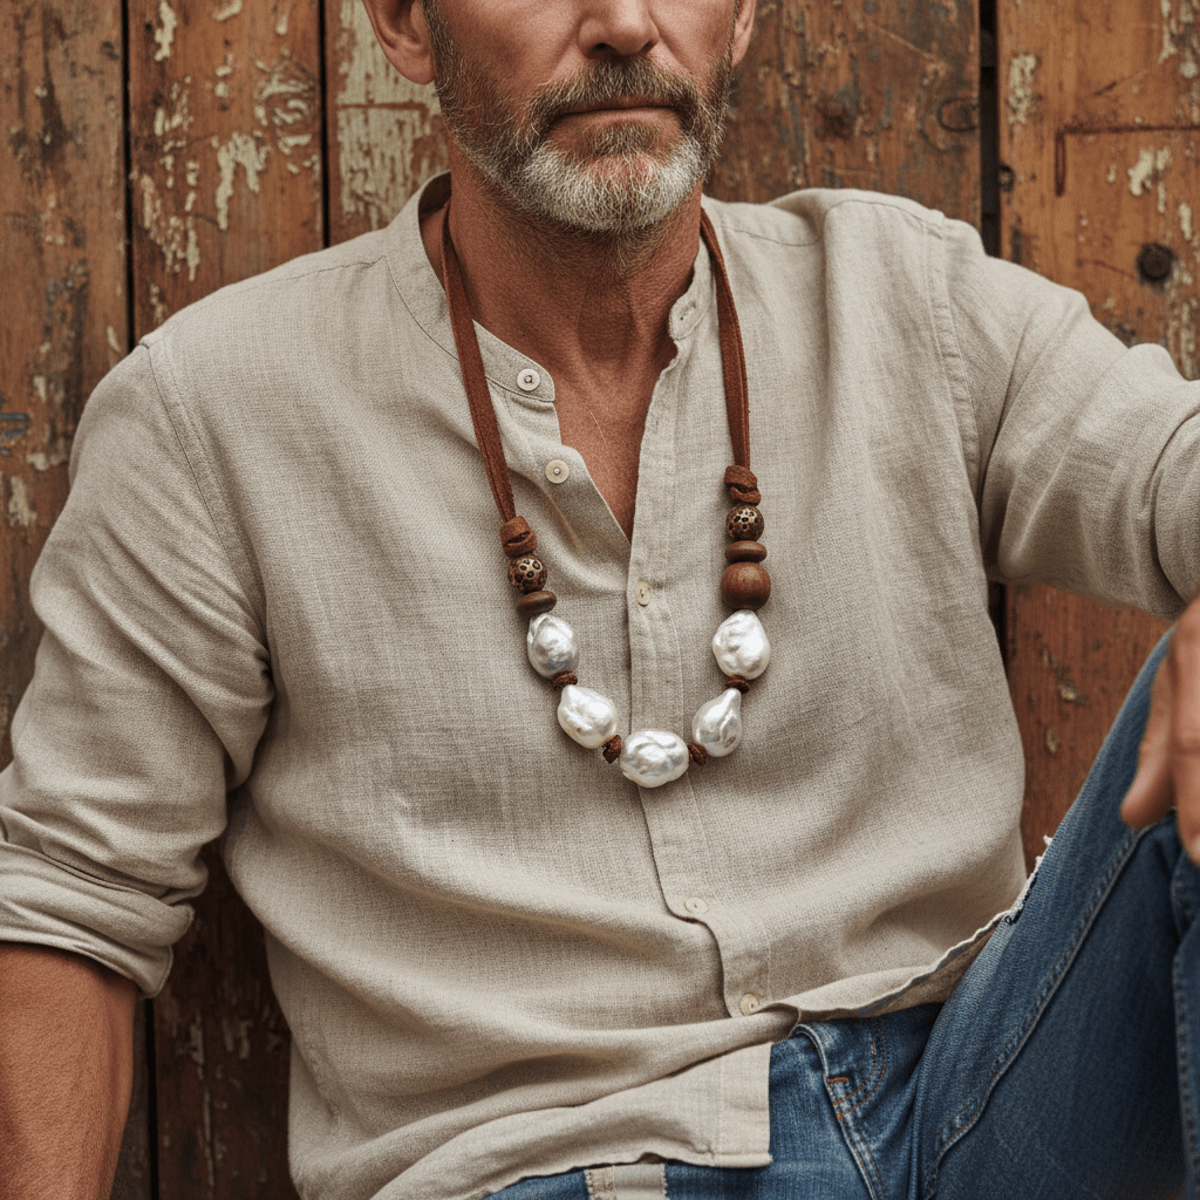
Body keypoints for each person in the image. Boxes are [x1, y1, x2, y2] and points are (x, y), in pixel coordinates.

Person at [2, 0, 1199, 1197]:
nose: (625, 24)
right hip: (559, 1167)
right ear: (407, 27)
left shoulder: (910, 303)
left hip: (989, 1106)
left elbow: (1170, 470)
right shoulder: (213, 414)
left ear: (739, 20)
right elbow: (68, 904)